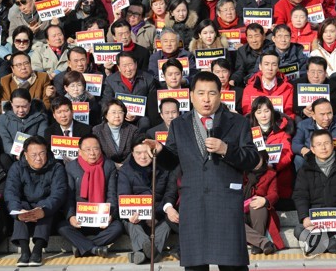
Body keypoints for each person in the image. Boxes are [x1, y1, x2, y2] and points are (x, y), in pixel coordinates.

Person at [144, 71, 260, 271]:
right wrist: (161, 151)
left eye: (212, 93)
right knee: (196, 265)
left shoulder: (238, 122)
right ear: (191, 96)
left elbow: (252, 159)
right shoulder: (179, 125)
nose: (206, 99)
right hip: (194, 202)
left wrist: (226, 150)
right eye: (201, 93)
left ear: (220, 94)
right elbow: (172, 161)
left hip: (226, 202)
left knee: (232, 265)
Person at [57, 134, 124, 258]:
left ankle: (83, 247)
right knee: (62, 226)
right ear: (80, 152)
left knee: (118, 227)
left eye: (96, 148)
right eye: (88, 149)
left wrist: (110, 215)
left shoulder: (108, 166)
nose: (92, 153)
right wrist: (71, 216)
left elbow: (111, 194)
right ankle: (95, 249)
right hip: (80, 219)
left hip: (101, 220)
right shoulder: (71, 167)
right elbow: (69, 197)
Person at [4, 136, 67, 267]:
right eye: (33, 155)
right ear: (25, 155)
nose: (38, 158)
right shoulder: (16, 167)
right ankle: (25, 251)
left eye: (42, 153)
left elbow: (58, 194)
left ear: (47, 152)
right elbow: (11, 192)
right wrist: (18, 211)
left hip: (48, 210)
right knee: (20, 208)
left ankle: (37, 251)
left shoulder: (56, 167)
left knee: (44, 208)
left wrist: (43, 210)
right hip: (25, 207)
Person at [118, 136, 170, 264]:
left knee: (167, 224)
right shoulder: (125, 171)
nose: (143, 156)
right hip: (136, 216)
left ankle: (140, 253)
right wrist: (138, 214)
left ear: (153, 152)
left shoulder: (163, 169)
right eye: (138, 153)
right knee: (132, 224)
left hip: (157, 215)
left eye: (146, 152)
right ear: (132, 154)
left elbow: (167, 195)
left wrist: (155, 215)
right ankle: (151, 251)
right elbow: (124, 195)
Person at [250, 96, 294, 204]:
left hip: (277, 171)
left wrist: (274, 165)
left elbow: (287, 153)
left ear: (272, 111)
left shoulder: (282, 130)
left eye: (267, 111)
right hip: (254, 171)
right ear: (254, 114)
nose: (263, 115)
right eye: (259, 112)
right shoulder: (248, 131)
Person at [293, 98, 336, 171]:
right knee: (298, 159)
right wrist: (306, 151)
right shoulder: (303, 125)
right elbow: (296, 143)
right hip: (312, 158)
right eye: (322, 114)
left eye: (329, 113)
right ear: (313, 115)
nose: (327, 118)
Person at [103, 51, 158, 132]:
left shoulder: (148, 79)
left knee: (145, 122)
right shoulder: (110, 80)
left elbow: (152, 106)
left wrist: (137, 115)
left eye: (130, 65)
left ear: (136, 64)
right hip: (119, 117)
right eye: (124, 66)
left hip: (141, 118)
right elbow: (106, 102)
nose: (128, 69)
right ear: (118, 67)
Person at [243, 151, 283, 254]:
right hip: (241, 212)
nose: (255, 162)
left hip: (260, 214)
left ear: (263, 159)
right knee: (231, 220)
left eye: (258, 159)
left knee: (257, 205)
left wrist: (265, 200)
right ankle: (262, 243)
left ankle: (257, 245)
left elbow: (274, 194)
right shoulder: (241, 172)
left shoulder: (270, 174)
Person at [242, 51, 294, 119]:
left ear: (278, 68)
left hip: (280, 125)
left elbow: (289, 114)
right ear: (260, 66)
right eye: (266, 64)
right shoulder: (249, 89)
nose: (270, 68)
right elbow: (248, 114)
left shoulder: (288, 88)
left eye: (274, 65)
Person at [0, 88, 48, 156]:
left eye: (24, 106)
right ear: (11, 104)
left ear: (30, 103)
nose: (21, 110)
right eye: (17, 107)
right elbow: (6, 141)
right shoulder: (3, 119)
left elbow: (41, 139)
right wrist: (17, 154)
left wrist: (30, 155)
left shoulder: (41, 118)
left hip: (34, 155)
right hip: (12, 156)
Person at [93, 99, 140, 166]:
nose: (117, 116)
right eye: (113, 112)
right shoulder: (97, 130)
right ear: (106, 115)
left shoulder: (132, 130)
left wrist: (123, 165)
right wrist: (113, 165)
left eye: (120, 112)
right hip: (106, 166)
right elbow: (99, 153)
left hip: (128, 166)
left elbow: (135, 151)